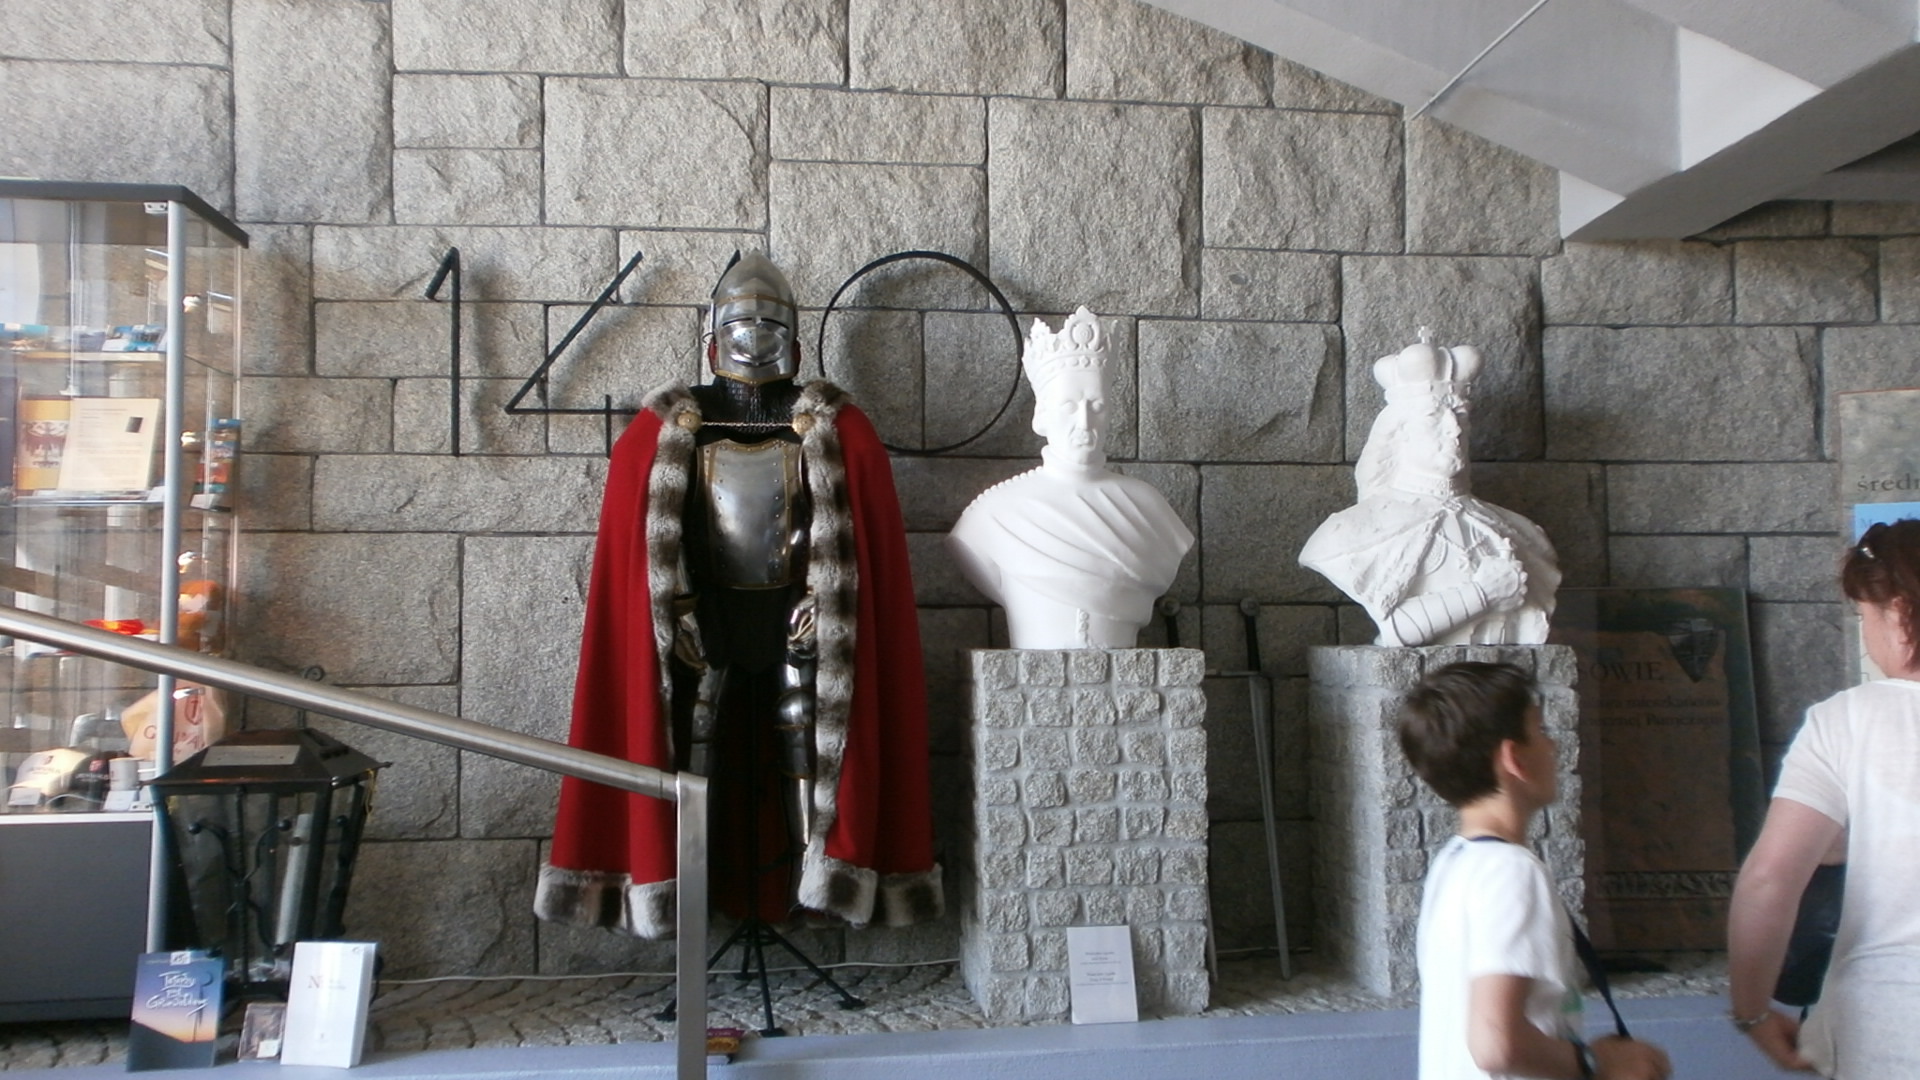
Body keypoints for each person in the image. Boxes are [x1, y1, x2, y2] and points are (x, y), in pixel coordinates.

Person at [536, 252, 941, 938]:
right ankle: (685, 890)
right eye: (739, 324)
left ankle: (813, 889)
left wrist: (825, 599)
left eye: (769, 324)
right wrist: (676, 607)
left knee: (808, 747)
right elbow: (652, 550)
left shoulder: (840, 431)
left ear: (797, 343)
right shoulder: (662, 434)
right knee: (690, 751)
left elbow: (853, 551)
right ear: (711, 339)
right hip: (703, 622)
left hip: (800, 625)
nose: (753, 337)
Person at [1401, 661, 1671, 1080]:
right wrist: (1599, 1064)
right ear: (1515, 758)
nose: (1553, 745)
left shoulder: (1454, 863)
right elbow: (1495, 1045)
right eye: (1541, 730)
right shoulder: (1511, 872)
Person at [1727, 518, 1920, 1076]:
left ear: (1900, 615)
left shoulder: (1846, 722)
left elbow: (1770, 876)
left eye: (1865, 617)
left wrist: (1751, 1010)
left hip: (1889, 1032)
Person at [946, 306, 1192, 649]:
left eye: (1097, 406)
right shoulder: (992, 514)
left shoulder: (1149, 507)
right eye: (1069, 406)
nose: (1084, 422)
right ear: (1041, 416)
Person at [1300, 330, 1558, 646]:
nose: (1454, 429)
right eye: (1432, 417)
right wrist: (1482, 594)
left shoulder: (1522, 531)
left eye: (1460, 416)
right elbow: (1395, 630)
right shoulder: (1347, 532)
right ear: (1399, 433)